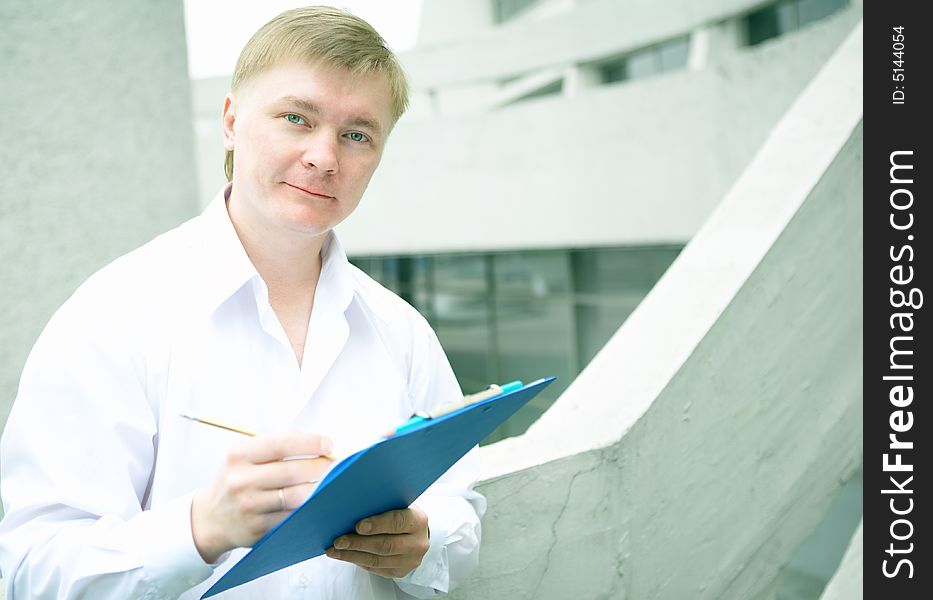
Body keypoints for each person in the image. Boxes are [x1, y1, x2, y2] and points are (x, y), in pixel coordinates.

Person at [0, 6, 484, 599]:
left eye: (357, 134)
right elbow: (31, 570)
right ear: (231, 121)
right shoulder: (112, 315)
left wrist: (425, 541)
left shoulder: (400, 329)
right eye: (297, 118)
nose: (325, 157)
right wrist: (199, 529)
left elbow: (462, 512)